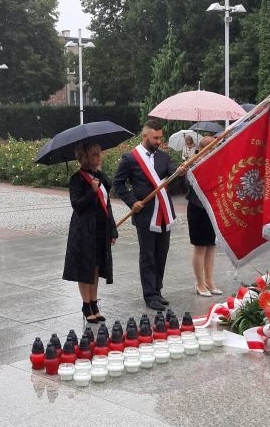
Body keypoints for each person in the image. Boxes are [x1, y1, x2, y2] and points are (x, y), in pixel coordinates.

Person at [113, 120, 187, 312]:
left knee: (161, 254)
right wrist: (131, 201)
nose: (159, 141)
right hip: (145, 214)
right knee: (148, 256)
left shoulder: (164, 157)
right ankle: (149, 295)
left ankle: (157, 290)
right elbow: (118, 184)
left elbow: (173, 181)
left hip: (164, 214)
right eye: (155, 138)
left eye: (160, 138)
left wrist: (180, 173)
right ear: (144, 136)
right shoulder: (130, 158)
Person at [63, 143, 118, 323]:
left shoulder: (101, 176)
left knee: (96, 266)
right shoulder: (77, 179)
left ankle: (94, 303)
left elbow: (107, 205)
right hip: (83, 230)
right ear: (85, 158)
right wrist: (92, 192)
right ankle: (86, 305)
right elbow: (77, 205)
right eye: (94, 154)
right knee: (84, 267)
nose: (99, 157)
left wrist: (112, 229)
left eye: (99, 153)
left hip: (101, 229)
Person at [187, 136, 222, 297]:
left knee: (211, 246)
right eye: (211, 148)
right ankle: (199, 283)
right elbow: (190, 184)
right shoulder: (193, 164)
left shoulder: (217, 162)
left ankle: (209, 281)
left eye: (215, 148)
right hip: (197, 209)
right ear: (201, 150)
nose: (214, 151)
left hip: (211, 209)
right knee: (200, 247)